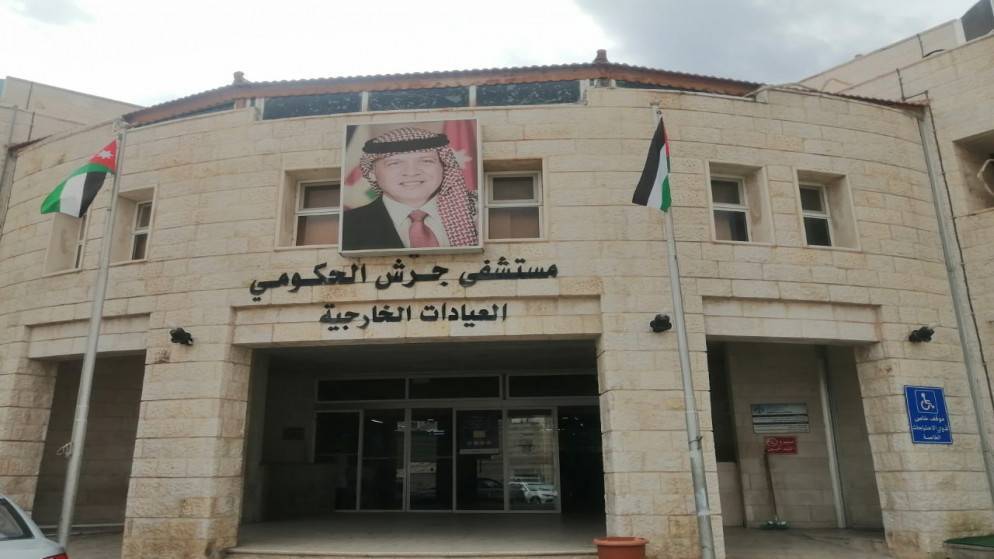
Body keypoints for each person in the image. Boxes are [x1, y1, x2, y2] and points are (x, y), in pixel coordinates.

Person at [342, 126, 478, 251]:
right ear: (372, 173)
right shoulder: (347, 226)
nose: (411, 172)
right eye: (395, 163)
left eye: (426, 161)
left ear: (444, 167)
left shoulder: (476, 216)